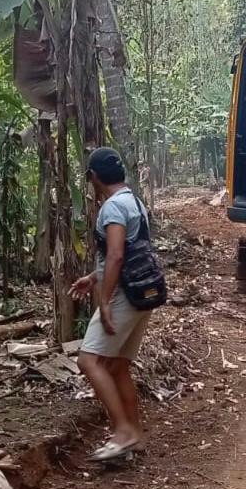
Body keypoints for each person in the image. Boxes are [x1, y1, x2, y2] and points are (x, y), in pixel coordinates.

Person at [70, 147, 153, 462]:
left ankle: (123, 432)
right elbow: (130, 251)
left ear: (93, 177)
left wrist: (103, 301)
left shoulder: (112, 208)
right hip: (142, 293)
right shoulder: (134, 202)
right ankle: (135, 434)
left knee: (88, 360)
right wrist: (94, 277)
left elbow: (117, 254)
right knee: (117, 366)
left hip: (122, 296)